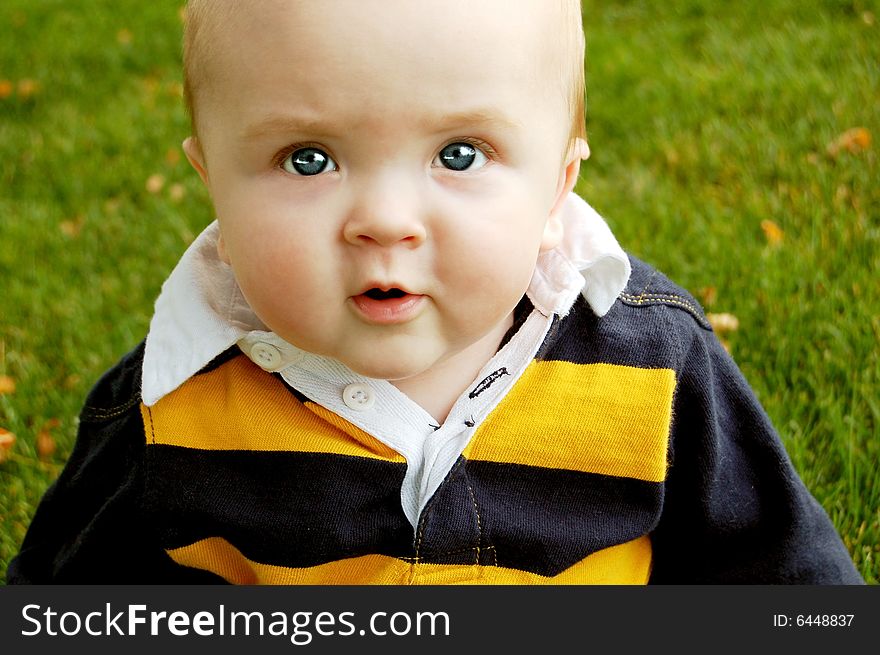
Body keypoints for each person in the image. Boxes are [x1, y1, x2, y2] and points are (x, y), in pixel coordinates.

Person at [7, 0, 863, 584]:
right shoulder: (168, 408)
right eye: (308, 157)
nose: (384, 221)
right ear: (212, 182)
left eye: (460, 154)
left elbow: (786, 581)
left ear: (558, 182)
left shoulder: (653, 365)